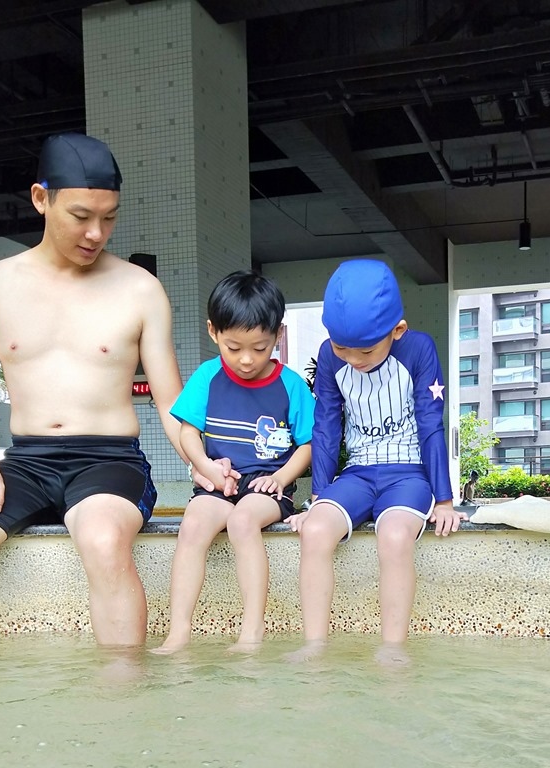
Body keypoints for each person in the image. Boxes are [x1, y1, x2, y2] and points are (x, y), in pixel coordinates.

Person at [0, 132, 194, 651]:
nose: (97, 233)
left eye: (109, 217)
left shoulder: (140, 288)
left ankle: (124, 698)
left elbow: (171, 403)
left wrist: (199, 460)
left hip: (109, 460)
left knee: (101, 539)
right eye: (81, 216)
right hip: (23, 463)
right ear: (40, 198)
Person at [287, 258, 461, 662]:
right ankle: (314, 645)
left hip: (408, 476)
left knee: (395, 537)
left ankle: (392, 647)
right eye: (341, 347)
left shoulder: (417, 349)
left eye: (365, 349)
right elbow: (326, 427)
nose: (353, 358)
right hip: (358, 475)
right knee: (314, 532)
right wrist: (317, 499)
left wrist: (446, 498)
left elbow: (431, 422)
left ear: (396, 330)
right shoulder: (330, 360)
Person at [153, 270, 314, 653]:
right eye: (233, 347)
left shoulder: (291, 385)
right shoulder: (208, 376)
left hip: (265, 486)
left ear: (278, 335)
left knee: (243, 521)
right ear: (213, 332)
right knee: (191, 527)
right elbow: (188, 432)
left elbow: (309, 445)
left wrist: (280, 477)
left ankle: (252, 631)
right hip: (217, 481)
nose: (246, 360)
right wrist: (204, 466)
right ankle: (178, 633)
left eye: (259, 348)